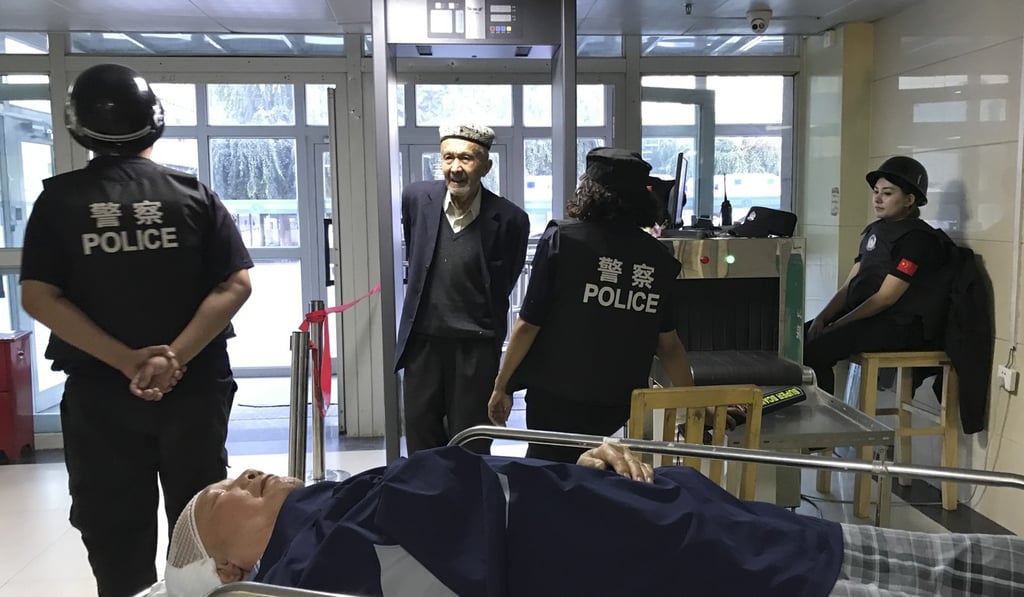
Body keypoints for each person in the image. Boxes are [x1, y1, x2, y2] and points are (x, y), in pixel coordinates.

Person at [162, 443, 1024, 597]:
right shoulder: (326, 566)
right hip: (707, 566)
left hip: (683, 521)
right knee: (937, 576)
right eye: (220, 501)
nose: (242, 475)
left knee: (951, 564)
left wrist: (570, 471)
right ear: (234, 570)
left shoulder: (340, 509)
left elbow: (487, 506)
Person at [19, 63, 253, 597]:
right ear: (156, 125)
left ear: (78, 128)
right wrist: (174, 357)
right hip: (192, 391)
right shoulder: (192, 195)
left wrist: (125, 360)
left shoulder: (58, 203)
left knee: (113, 525)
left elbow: (39, 296)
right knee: (199, 518)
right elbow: (235, 284)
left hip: (102, 397)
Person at [486, 147, 697, 463]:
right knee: (598, 474)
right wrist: (697, 403)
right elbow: (668, 345)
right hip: (615, 405)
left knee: (547, 478)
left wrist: (501, 385)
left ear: (588, 190)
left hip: (555, 399)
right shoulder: (659, 260)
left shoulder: (563, 240)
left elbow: (530, 322)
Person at [395, 123, 530, 455]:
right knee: (420, 440)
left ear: (485, 165)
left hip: (476, 348)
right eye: (448, 158)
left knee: (471, 442)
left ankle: (469, 506)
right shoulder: (416, 198)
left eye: (466, 159)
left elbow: (504, 283)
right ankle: (425, 505)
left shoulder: (511, 220)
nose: (455, 168)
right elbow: (417, 254)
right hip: (423, 346)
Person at [804, 156, 950, 394]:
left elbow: (886, 298)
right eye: (876, 191)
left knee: (816, 351)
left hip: (899, 326)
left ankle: (823, 421)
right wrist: (822, 318)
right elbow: (849, 285)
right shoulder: (876, 231)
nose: (878, 198)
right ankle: (804, 413)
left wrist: (838, 325)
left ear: (910, 200)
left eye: (888, 193)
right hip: (868, 317)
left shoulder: (918, 240)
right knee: (796, 344)